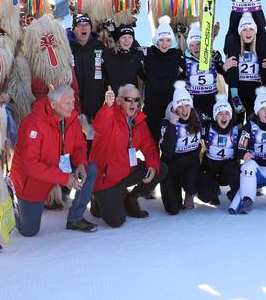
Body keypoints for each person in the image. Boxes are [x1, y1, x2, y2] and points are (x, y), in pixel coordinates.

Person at [10, 84, 98, 236]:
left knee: (91, 169)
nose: (72, 107)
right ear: (53, 105)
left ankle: (75, 218)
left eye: (73, 102)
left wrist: (81, 165)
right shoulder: (33, 123)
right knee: (29, 231)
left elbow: (80, 146)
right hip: (32, 178)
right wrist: (64, 178)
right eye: (67, 103)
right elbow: (30, 165)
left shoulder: (72, 119)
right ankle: (12, 203)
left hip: (60, 167)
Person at [89, 84, 165, 228]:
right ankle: (96, 198)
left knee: (162, 168)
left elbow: (150, 147)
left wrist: (153, 166)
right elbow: (99, 126)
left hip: (126, 170)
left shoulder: (139, 121)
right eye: (129, 99)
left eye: (136, 100)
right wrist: (107, 106)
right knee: (116, 221)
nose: (133, 104)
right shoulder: (110, 116)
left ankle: (131, 198)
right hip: (107, 179)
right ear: (118, 101)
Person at [230, 89, 266, 215]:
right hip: (255, 167)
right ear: (257, 112)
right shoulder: (250, 126)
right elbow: (240, 148)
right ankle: (247, 199)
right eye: (263, 109)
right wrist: (243, 154)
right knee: (248, 165)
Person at [159, 82, 204, 215]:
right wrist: (172, 125)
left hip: (190, 166)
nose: (184, 110)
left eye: (187, 105)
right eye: (180, 106)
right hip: (171, 169)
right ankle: (175, 188)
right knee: (172, 210)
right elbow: (167, 152)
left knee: (193, 178)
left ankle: (189, 192)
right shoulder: (166, 123)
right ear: (174, 108)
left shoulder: (198, 116)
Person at [224, 13, 266, 115]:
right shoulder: (234, 47)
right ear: (240, 32)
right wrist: (224, 67)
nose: (248, 32)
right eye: (244, 29)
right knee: (236, 125)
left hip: (255, 92)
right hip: (237, 92)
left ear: (255, 31)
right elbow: (228, 77)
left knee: (253, 125)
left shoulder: (261, 47)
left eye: (251, 29)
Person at [141, 16, 184, 141]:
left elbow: (186, 71)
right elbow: (136, 67)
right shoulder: (148, 53)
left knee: (170, 138)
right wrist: (147, 79)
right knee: (151, 138)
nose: (164, 44)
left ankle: (168, 161)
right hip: (152, 105)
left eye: (168, 40)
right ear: (156, 40)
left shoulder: (177, 55)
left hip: (170, 105)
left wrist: (177, 84)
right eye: (161, 40)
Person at [198, 95, 245, 207]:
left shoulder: (236, 131)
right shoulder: (208, 127)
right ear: (215, 116)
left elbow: (243, 149)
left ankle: (234, 194)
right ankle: (213, 193)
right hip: (210, 169)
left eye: (227, 113)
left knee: (234, 169)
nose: (224, 117)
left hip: (227, 171)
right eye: (220, 113)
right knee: (204, 196)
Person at [69, 14, 108, 121]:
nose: (84, 27)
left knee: (97, 136)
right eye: (79, 25)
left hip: (97, 105)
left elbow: (110, 71)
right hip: (74, 106)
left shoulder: (99, 46)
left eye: (86, 25)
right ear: (73, 29)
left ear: (91, 28)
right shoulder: (67, 47)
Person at [182, 22, 224, 116]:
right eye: (192, 45)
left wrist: (220, 61)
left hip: (211, 100)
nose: (195, 48)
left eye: (198, 44)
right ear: (189, 46)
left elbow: (224, 72)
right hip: (194, 102)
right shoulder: (185, 60)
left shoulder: (211, 57)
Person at [104, 23, 145, 98]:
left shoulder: (136, 55)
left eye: (130, 37)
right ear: (118, 40)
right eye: (123, 37)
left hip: (130, 101)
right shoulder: (107, 54)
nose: (127, 41)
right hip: (112, 100)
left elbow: (145, 77)